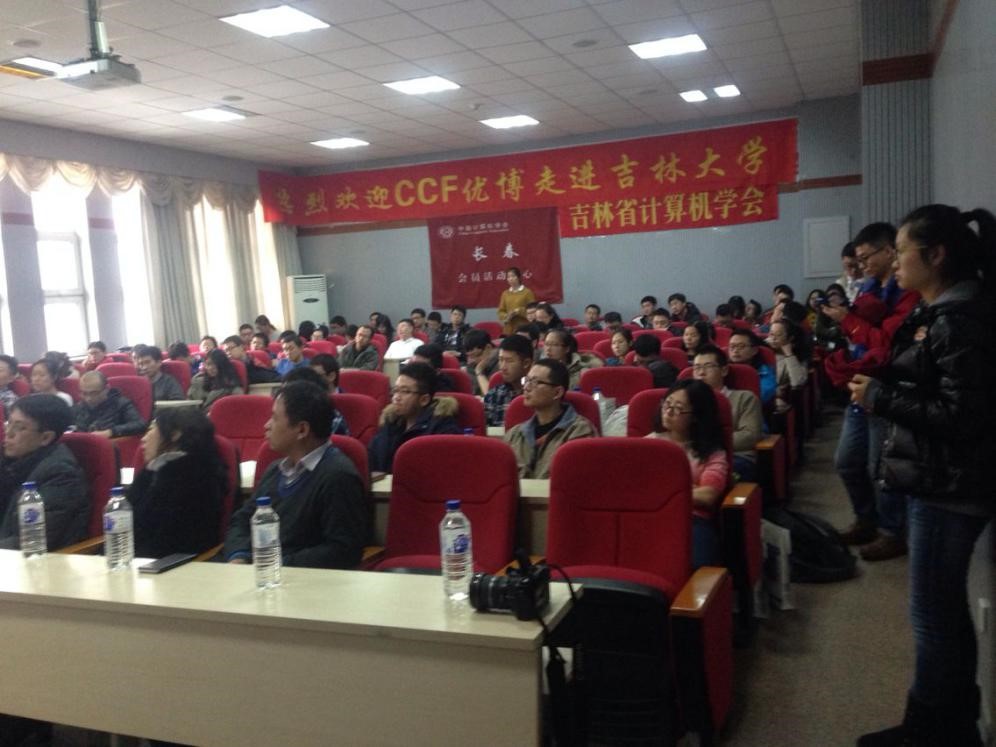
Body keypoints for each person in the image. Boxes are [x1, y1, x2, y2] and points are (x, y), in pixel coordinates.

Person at [849, 205, 995, 746]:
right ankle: (947, 725)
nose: (895, 264)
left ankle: (930, 731)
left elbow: (962, 416)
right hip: (942, 478)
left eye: (903, 252)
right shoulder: (946, 311)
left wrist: (881, 396)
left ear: (935, 256)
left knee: (933, 615)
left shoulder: (957, 320)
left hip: (948, 487)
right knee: (944, 612)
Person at [824, 221, 920, 561]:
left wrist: (848, 322)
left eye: (866, 257)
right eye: (858, 259)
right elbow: (864, 336)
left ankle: (891, 532)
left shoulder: (908, 292)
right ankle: (866, 519)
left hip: (886, 387)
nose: (861, 264)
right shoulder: (869, 290)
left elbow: (888, 342)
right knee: (847, 462)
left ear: (890, 251)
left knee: (880, 468)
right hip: (860, 384)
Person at [224, 381, 367, 569]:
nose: (267, 425)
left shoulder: (338, 477)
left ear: (302, 430)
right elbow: (243, 520)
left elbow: (342, 550)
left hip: (300, 579)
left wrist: (276, 565)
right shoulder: (275, 470)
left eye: (274, 418)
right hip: (257, 571)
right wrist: (239, 556)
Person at [645, 379, 728, 569]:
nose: (668, 411)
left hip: (691, 520)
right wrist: (687, 490)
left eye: (678, 408)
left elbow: (708, 495)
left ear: (696, 416)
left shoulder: (710, 452)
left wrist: (661, 493)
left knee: (693, 565)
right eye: (667, 404)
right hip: (648, 516)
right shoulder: (647, 445)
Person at [128, 407, 226, 558]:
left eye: (151, 429)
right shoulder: (154, 470)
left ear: (175, 434)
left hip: (172, 564)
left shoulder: (196, 478)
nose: (143, 438)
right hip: (138, 559)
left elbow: (162, 537)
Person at [0, 394, 86, 550]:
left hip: (26, 560)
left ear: (46, 437)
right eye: (8, 423)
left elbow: (30, 540)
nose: (9, 433)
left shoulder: (60, 474)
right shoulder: (9, 460)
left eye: (20, 427)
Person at [503, 358, 596, 479]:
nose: (526, 387)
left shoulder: (580, 432)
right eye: (526, 380)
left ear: (557, 392)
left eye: (535, 382)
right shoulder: (515, 434)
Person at [367, 362, 461, 473]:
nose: (396, 397)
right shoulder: (390, 422)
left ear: (424, 400)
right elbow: (371, 460)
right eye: (395, 390)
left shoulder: (442, 429)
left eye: (405, 391)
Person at [693, 345, 762, 481]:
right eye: (696, 368)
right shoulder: (688, 401)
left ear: (724, 370)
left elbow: (750, 436)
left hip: (735, 456)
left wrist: (708, 443)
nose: (701, 373)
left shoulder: (744, 398)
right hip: (695, 456)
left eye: (708, 367)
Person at [74, 371, 146, 438]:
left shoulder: (120, 403)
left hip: (112, 444)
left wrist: (111, 432)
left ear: (107, 388)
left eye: (94, 393)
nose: (88, 398)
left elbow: (140, 425)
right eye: (84, 393)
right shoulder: (81, 405)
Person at [483, 335, 533, 427]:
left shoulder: (538, 395)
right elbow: (488, 430)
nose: (503, 367)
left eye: (509, 361)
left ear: (526, 363)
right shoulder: (494, 394)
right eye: (501, 360)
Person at [767, 319, 809, 413]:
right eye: (771, 334)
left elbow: (798, 382)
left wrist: (789, 354)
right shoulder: (764, 352)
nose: (773, 339)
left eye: (778, 335)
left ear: (790, 338)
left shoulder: (795, 358)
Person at [727, 329, 776, 405]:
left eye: (741, 346)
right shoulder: (723, 369)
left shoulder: (764, 371)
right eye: (732, 346)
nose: (735, 350)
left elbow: (762, 394)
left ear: (754, 350)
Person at [497, 266, 535, 335]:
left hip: (523, 328)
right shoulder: (505, 293)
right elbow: (500, 311)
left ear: (519, 277)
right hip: (508, 329)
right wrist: (507, 316)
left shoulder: (527, 292)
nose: (510, 279)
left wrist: (518, 311)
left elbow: (533, 310)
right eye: (508, 277)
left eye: (513, 276)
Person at [462, 328, 499, 395]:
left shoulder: (501, 365)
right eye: (470, 357)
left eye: (478, 355)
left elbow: (491, 396)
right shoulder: (471, 366)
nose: (474, 360)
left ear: (488, 348)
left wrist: (479, 371)